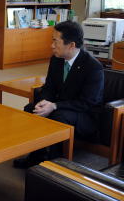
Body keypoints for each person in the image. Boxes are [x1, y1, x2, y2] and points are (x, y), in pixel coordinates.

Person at [14, 20, 104, 168]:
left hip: (85, 115)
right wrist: (44, 102)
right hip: (62, 107)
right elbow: (49, 87)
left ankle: (55, 164)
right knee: (32, 109)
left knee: (57, 117)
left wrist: (54, 106)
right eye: (52, 40)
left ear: (71, 45)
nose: (52, 45)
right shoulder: (56, 59)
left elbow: (87, 102)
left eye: (56, 41)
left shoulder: (93, 67)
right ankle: (35, 155)